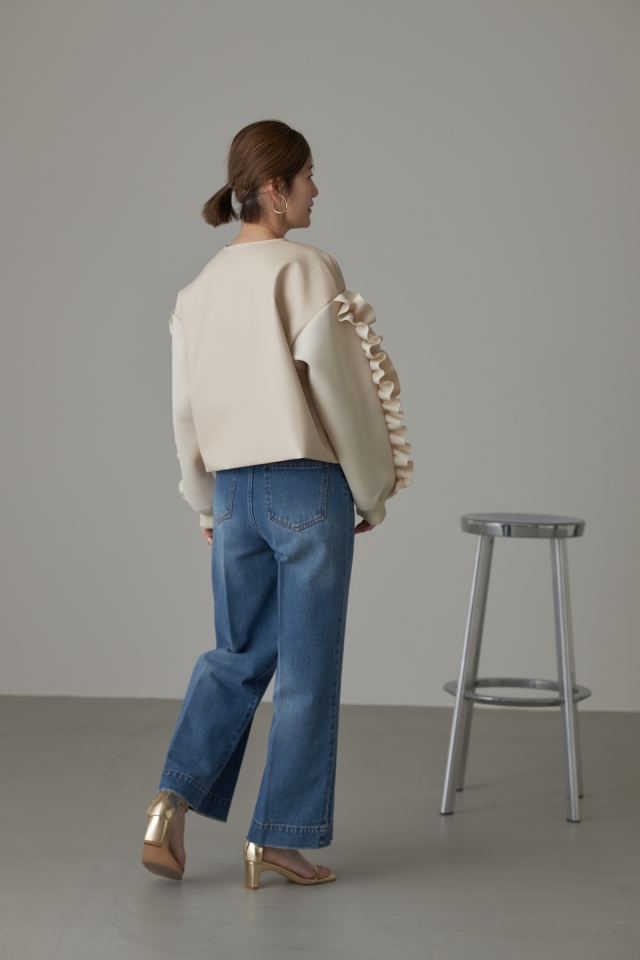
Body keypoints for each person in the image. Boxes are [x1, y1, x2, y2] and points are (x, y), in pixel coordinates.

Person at [141, 119, 413, 889]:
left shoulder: (196, 291)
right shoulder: (306, 269)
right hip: (304, 484)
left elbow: (185, 412)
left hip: (233, 490)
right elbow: (341, 391)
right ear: (273, 188)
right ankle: (279, 840)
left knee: (237, 655)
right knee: (307, 668)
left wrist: (206, 504)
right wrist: (373, 486)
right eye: (307, 177)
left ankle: (170, 799)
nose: (316, 190)